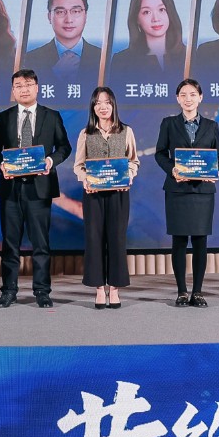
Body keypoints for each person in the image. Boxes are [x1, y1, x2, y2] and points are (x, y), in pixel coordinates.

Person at [0, 68, 72, 308]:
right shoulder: (3, 117)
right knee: (10, 243)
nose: (23, 90)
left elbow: (64, 147)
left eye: (27, 85)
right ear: (13, 90)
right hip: (11, 188)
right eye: (18, 86)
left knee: (41, 243)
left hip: (40, 187)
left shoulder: (52, 116)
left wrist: (51, 161)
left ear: (37, 88)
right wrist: (1, 164)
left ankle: (42, 291)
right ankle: (8, 291)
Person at [153, 78, 219, 307]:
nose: (188, 99)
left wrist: (215, 170)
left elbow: (217, 156)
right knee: (179, 240)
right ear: (177, 99)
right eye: (183, 95)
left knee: (200, 241)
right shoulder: (169, 123)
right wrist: (172, 170)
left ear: (200, 97)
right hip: (177, 189)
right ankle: (182, 291)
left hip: (203, 191)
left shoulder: (211, 126)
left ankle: (198, 292)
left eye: (192, 94)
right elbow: (160, 153)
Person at [73, 87, 138, 309]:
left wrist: (129, 174)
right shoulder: (86, 134)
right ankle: (99, 289)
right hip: (93, 195)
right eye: (98, 103)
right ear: (93, 107)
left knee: (117, 239)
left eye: (107, 102)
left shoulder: (126, 131)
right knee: (95, 239)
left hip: (119, 195)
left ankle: (115, 289)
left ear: (113, 105)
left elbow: (133, 161)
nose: (103, 107)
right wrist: (86, 180)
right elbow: (79, 165)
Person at [20, 0, 101, 106]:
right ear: (49, 17)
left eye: (76, 11)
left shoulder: (102, 57)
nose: (69, 19)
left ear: (86, 16)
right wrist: (56, 74)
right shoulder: (31, 59)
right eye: (60, 12)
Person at [108, 0, 187, 98]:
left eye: (161, 10)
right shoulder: (122, 61)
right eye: (146, 12)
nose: (156, 18)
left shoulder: (189, 56)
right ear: (137, 19)